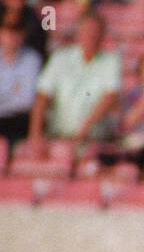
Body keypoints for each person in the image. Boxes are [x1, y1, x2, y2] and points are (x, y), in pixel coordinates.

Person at [27, 13, 121, 154]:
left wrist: (84, 130)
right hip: (59, 136)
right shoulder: (60, 58)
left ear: (102, 34)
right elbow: (42, 96)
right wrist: (35, 135)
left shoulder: (111, 60)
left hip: (93, 140)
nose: (91, 36)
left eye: (95, 32)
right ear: (78, 33)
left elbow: (110, 96)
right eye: (87, 31)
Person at [0, 13, 41, 142]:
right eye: (8, 31)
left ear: (23, 35)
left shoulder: (32, 59)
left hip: (17, 122)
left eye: (16, 31)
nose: (11, 36)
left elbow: (26, 100)